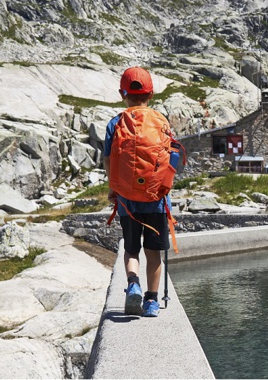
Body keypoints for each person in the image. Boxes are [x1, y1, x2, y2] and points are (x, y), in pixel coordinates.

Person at [104, 67, 173, 318]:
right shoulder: (161, 121)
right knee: (153, 252)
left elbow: (108, 161)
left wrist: (114, 189)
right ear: (151, 94)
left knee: (132, 249)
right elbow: (170, 160)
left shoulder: (115, 123)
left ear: (123, 94)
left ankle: (133, 283)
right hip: (156, 199)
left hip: (127, 200)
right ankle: (152, 302)